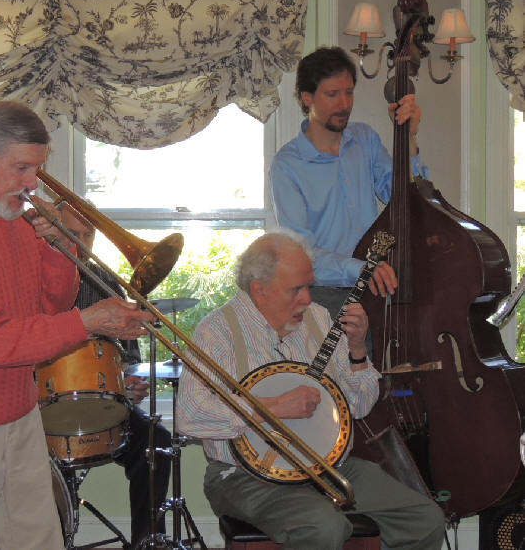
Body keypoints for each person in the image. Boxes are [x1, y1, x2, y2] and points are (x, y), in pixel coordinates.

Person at [0, 100, 154, 550]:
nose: (32, 183)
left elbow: (48, 306)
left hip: (17, 410)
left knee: (37, 539)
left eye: (37, 168)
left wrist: (62, 248)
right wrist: (90, 320)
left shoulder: (11, 217)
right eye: (21, 169)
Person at [176, 231, 445, 550]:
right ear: (260, 291)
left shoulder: (318, 319)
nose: (307, 298)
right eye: (296, 289)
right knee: (324, 527)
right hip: (246, 477)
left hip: (330, 468)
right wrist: (272, 407)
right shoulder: (216, 332)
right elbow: (189, 418)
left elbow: (358, 407)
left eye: (309, 285)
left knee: (425, 519)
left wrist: (358, 351)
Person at [269, 46, 428, 318]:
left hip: (379, 289)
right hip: (324, 298)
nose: (344, 104)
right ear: (307, 98)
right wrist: (362, 268)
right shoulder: (287, 165)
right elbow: (302, 252)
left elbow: (407, 200)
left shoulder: (365, 139)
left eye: (349, 92)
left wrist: (409, 137)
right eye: (332, 94)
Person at [62, 207, 172, 549]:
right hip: (47, 408)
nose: (82, 243)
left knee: (156, 439)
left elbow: (130, 358)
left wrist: (130, 384)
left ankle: (147, 540)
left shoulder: (106, 282)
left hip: (108, 404)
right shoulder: (31, 282)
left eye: (88, 235)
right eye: (73, 234)